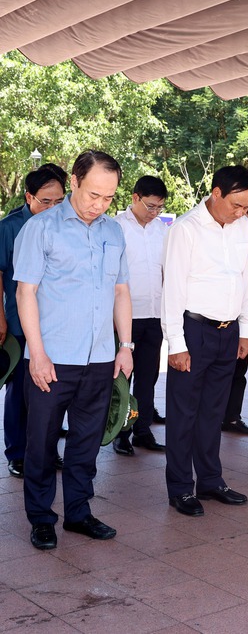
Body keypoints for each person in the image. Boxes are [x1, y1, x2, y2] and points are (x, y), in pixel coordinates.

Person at [15, 150, 133, 550]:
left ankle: (79, 513)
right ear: (75, 183)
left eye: (109, 198)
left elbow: (120, 291)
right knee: (42, 444)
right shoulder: (41, 228)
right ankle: (41, 517)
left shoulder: (113, 232)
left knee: (85, 442)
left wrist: (126, 345)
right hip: (53, 360)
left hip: (100, 359)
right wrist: (38, 353)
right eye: (93, 195)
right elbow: (25, 292)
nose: (99, 205)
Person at [162, 166, 248, 516]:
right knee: (184, 412)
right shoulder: (186, 229)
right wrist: (176, 343)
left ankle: (211, 481)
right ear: (216, 193)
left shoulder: (243, 227)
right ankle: (181, 488)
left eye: (247, 207)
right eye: (237, 205)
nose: (241, 212)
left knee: (213, 411)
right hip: (194, 330)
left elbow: (245, 278)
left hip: (228, 331)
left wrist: (245, 329)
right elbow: (172, 287)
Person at [1, 164, 66, 479]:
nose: (52, 208)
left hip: (55, 322)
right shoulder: (10, 227)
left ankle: (47, 451)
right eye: (45, 201)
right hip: (19, 321)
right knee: (20, 390)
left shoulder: (66, 226)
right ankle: (17, 453)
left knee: (50, 389)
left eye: (59, 201)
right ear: (29, 196)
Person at [112, 176, 168, 456]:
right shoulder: (116, 228)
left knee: (148, 377)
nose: (154, 212)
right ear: (134, 198)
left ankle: (143, 431)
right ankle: (121, 431)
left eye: (159, 207)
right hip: (126, 318)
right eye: (150, 206)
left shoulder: (162, 231)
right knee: (124, 379)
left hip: (155, 316)